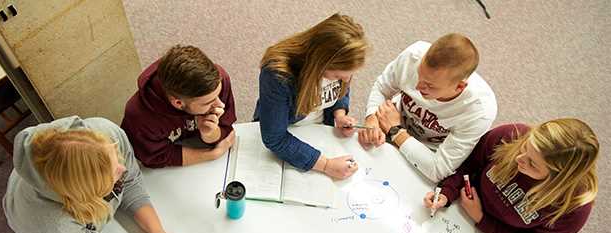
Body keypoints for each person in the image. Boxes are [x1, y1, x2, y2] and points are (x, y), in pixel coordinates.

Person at [3, 116, 197, 233]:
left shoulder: (106, 132)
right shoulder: (51, 226)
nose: (122, 168)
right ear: (85, 192)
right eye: (111, 175)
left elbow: (129, 181)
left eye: (116, 158)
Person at [423, 119, 598, 233]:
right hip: (456, 212)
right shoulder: (512, 135)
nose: (519, 158)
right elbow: (468, 165)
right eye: (525, 147)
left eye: (533, 164)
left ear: (558, 178)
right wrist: (446, 193)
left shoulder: (573, 207)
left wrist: (481, 218)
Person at [360, 33, 497, 182]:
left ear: (459, 87)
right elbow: (382, 88)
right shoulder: (413, 56)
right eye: (419, 74)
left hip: (427, 154)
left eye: (429, 85)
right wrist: (372, 117)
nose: (418, 86)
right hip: (389, 124)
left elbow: (438, 170)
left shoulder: (479, 111)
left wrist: (396, 132)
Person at [253, 13, 368, 180]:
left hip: (319, 132)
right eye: (337, 76)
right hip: (287, 132)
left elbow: (342, 89)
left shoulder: (342, 69)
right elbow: (274, 138)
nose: (346, 80)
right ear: (320, 63)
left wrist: (339, 114)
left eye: (349, 75)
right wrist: (326, 165)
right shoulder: (278, 74)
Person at [121, 45, 237, 168]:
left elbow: (226, 130)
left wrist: (210, 134)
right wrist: (212, 154)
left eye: (218, 96)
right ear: (178, 103)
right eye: (208, 102)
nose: (220, 105)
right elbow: (154, 157)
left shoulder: (219, 80)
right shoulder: (139, 116)